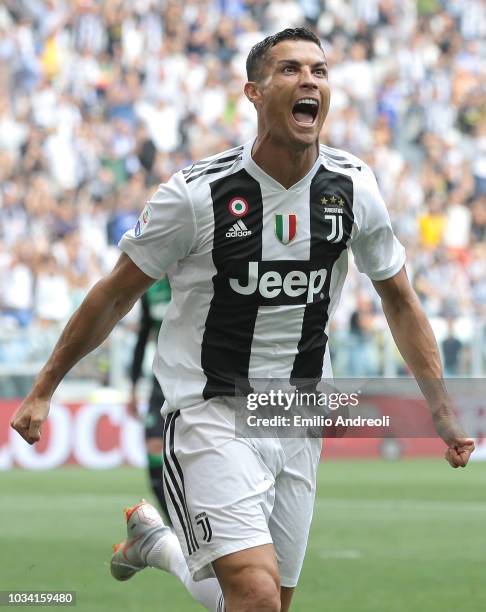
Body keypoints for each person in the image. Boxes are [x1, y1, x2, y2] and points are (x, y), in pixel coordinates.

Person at [11, 28, 475, 612]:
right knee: (255, 596)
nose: (308, 80)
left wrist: (441, 405)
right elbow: (112, 295)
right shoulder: (197, 196)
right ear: (253, 92)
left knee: (266, 602)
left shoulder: (354, 188)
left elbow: (400, 298)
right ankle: (162, 543)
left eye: (319, 70)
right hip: (211, 408)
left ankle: (158, 545)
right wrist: (44, 388)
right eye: (289, 70)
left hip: (299, 414)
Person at [127, 277, 171, 521]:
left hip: (197, 377)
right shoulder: (151, 288)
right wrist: (133, 386)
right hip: (161, 379)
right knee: (154, 446)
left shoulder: (193, 274)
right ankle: (177, 526)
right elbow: (143, 337)